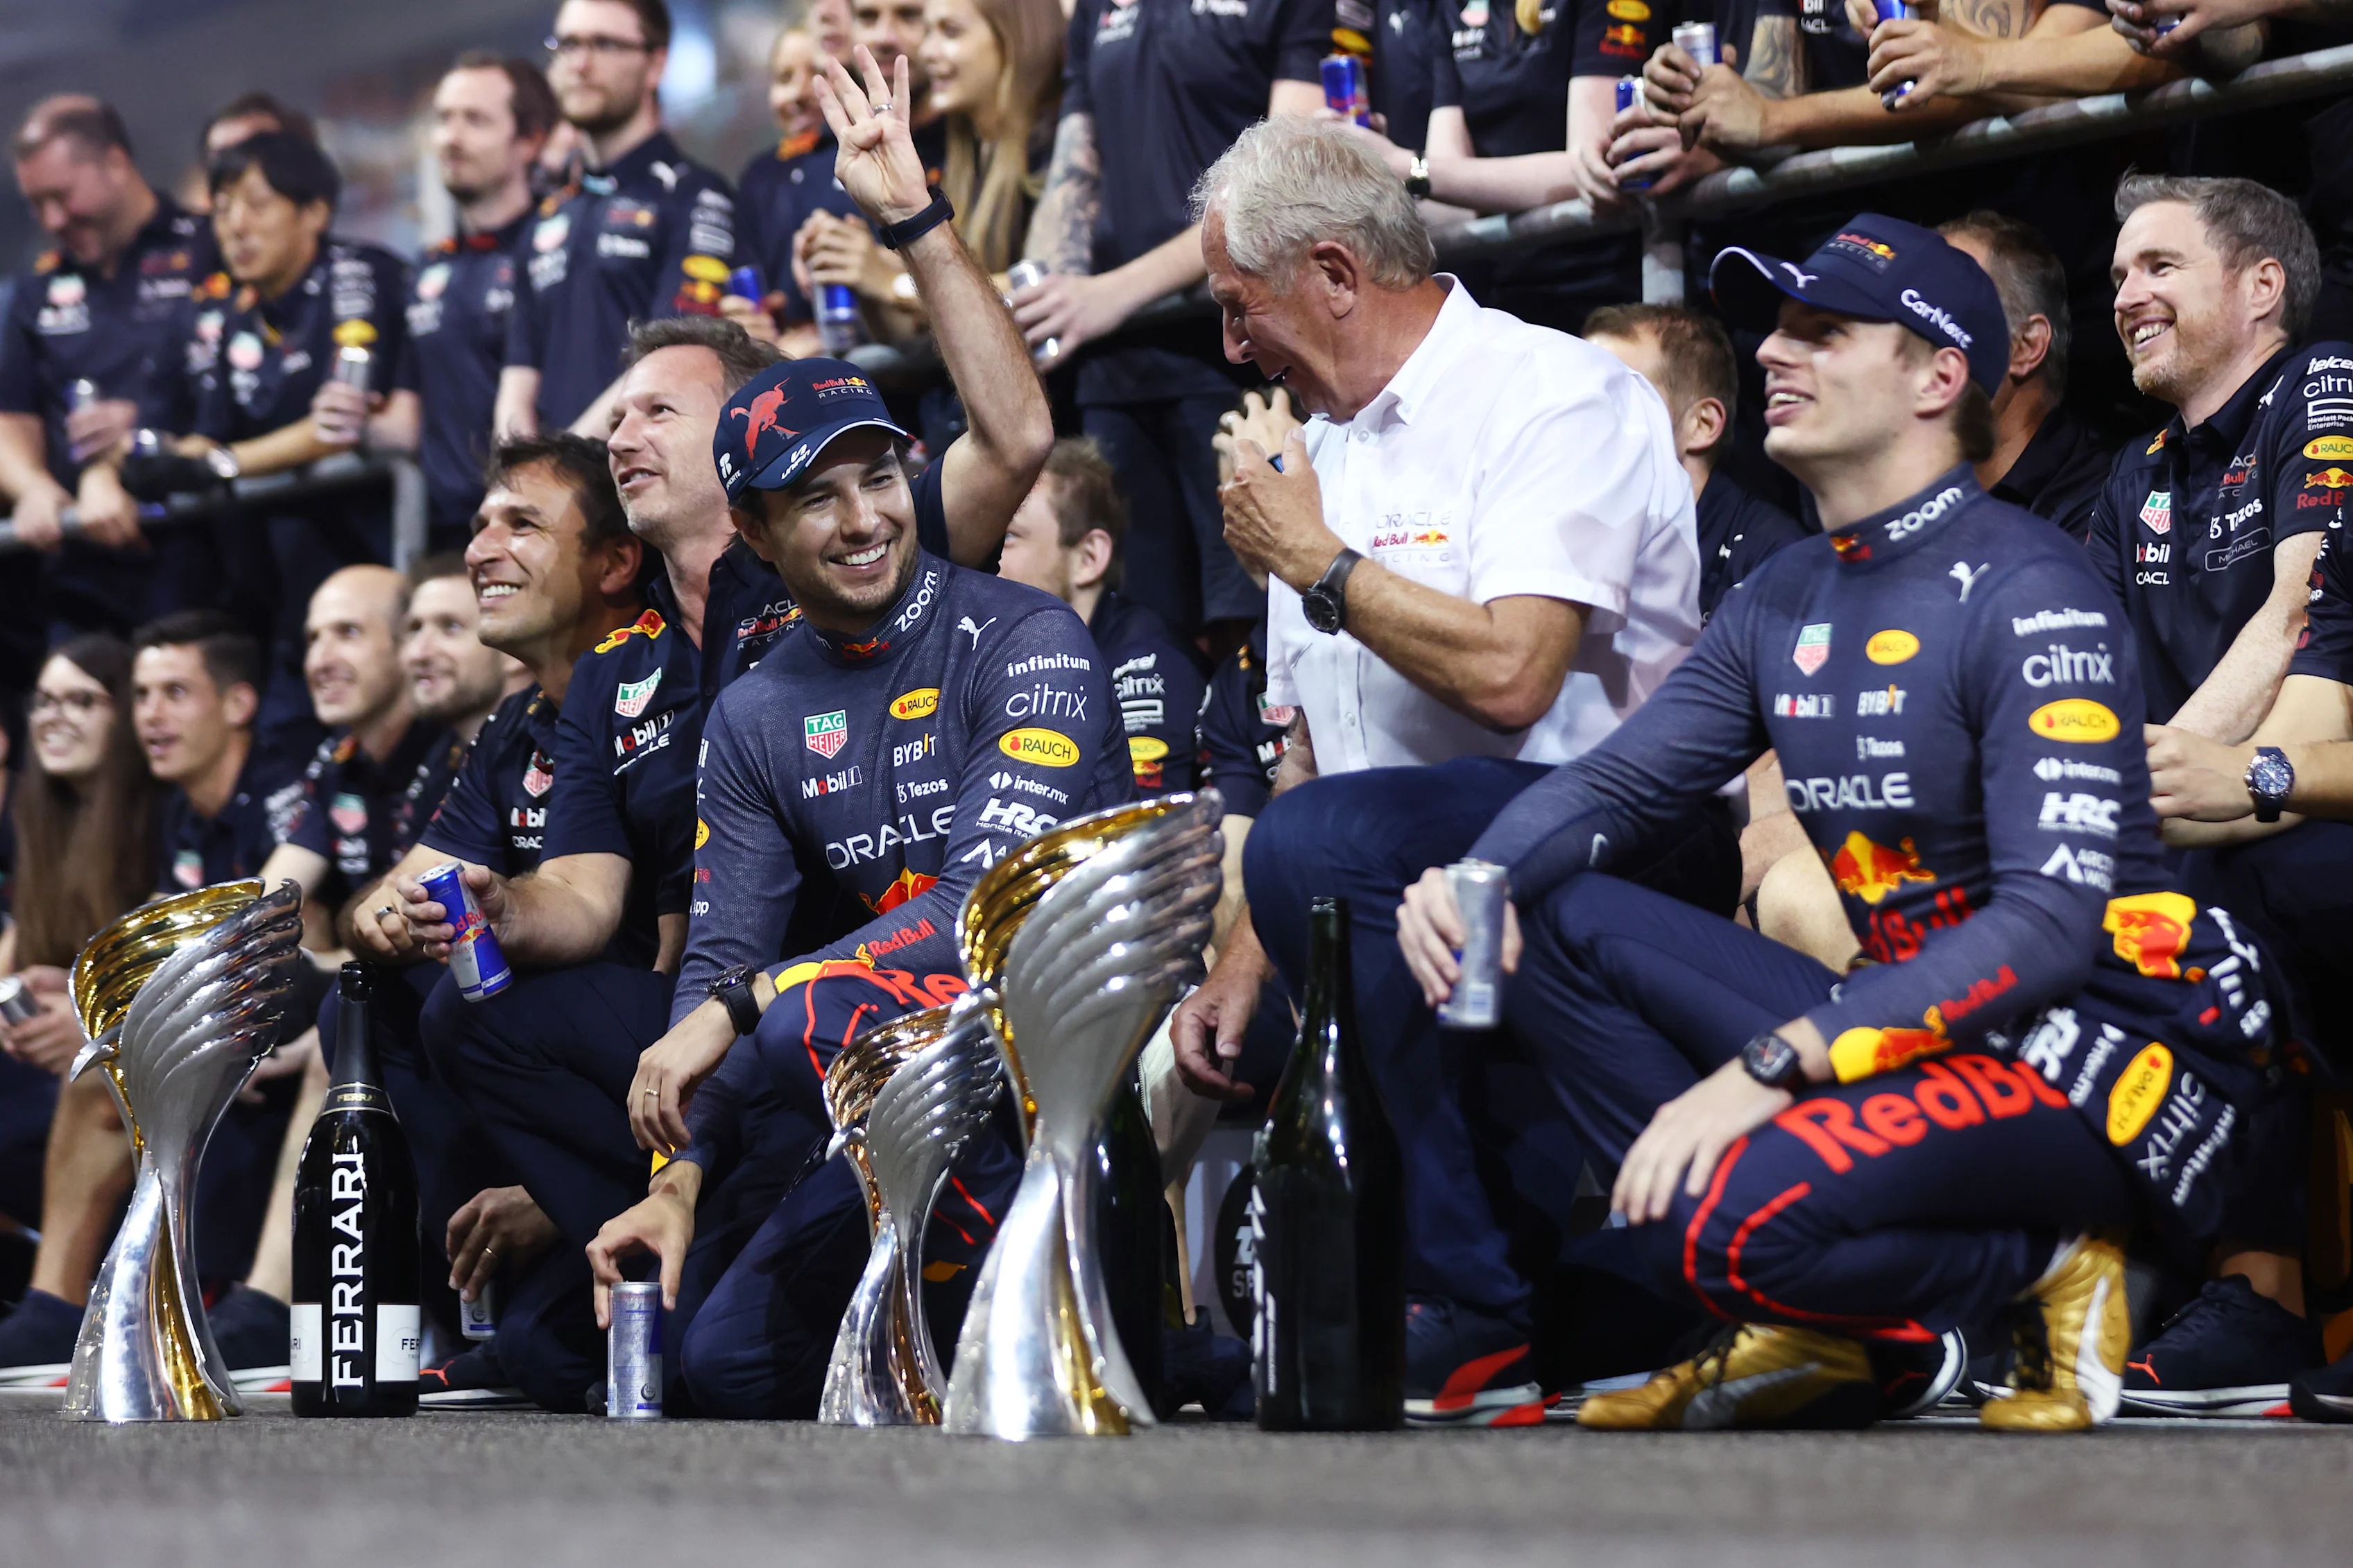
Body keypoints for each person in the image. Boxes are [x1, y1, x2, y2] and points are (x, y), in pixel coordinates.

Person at [1386, 214, 2284, 1435]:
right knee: (1546, 922)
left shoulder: (2034, 586)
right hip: (1915, 1019)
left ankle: (2052, 1268)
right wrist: (1477, 877)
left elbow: (2048, 928)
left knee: (1715, 1214)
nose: (1773, 351)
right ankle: (1815, 1313)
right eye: (1778, 328)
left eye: (1822, 331)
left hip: (2099, 1049)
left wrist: (1770, 1068)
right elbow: (1616, 789)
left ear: (1937, 378)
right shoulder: (1783, 594)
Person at [411, 52, 1057, 1415]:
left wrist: (913, 217)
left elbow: (1011, 434)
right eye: (616, 412)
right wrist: (499, 912)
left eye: (657, 408)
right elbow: (659, 930)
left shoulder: (860, 556)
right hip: (741, 1027)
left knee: (687, 1348)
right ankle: (647, 1238)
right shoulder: (635, 658)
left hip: (894, 1000)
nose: (618, 434)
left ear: (746, 442)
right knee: (484, 1030)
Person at [1167, 118, 1719, 1424]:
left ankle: (1464, 1306)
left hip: (1607, 853)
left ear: (1335, 273)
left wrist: (1317, 563)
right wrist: (1244, 957)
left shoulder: (1554, 395)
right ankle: (1553, 1305)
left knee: (1325, 851)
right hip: (1411, 894)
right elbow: (1310, 753)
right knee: (1300, 1286)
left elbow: (1515, 675)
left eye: (1240, 307)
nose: (1231, 349)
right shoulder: (1317, 456)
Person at [344, 434, 645, 1403]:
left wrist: (552, 1193)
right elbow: (387, 895)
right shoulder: (516, 727)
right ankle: (465, 1300)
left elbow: (662, 939)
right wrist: (383, 924)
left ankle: (607, 1225)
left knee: (469, 1003)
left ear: (614, 561)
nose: (481, 548)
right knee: (377, 991)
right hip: (566, 1072)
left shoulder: (663, 690)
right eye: (479, 524)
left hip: (679, 1054)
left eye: (522, 524)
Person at [1011, 0, 1328, 640]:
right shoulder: (1096, 9)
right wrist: (1038, 309)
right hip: (1113, 374)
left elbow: (1283, 182)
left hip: (1231, 352)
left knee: (1258, 616)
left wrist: (1111, 294)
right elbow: (1076, 171)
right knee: (1141, 637)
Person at [123, 132, 413, 765]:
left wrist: (220, 464)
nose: (236, 226)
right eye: (223, 208)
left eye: (257, 204)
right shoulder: (223, 309)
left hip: (359, 574)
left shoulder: (357, 275)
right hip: (269, 600)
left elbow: (338, 421)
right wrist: (180, 456)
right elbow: (197, 435)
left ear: (314, 212)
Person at [0, 98, 218, 673]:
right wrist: (33, 489)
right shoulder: (37, 290)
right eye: (36, 204)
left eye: (63, 195)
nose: (52, 219)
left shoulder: (207, 248)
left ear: (116, 163)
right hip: (78, 567)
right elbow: (9, 418)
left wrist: (141, 431)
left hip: (199, 550)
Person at [0, 636, 158, 1384]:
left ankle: (54, 1306)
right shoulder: (39, 820)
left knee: (85, 1079)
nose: (54, 716)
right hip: (59, 1072)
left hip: (135, 1064)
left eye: (81, 700)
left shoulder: (158, 815)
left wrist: (81, 1008)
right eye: (44, 700)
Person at [496, 0, 737, 438]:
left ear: (655, 64)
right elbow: (518, 376)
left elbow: (670, 357)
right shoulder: (547, 218)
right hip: (551, 472)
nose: (580, 64)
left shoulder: (695, 196)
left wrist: (563, 462)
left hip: (643, 461)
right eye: (568, 45)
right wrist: (519, 465)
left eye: (604, 44)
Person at [358, 56, 556, 550]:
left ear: (530, 141)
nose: (451, 137)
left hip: (546, 526)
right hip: (449, 537)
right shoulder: (428, 271)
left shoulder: (559, 253)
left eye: (476, 120)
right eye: (444, 119)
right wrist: (346, 418)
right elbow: (408, 423)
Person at [798, 0, 1062, 354]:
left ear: (1013, 39)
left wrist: (895, 283)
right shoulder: (966, 153)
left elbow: (1046, 289)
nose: (928, 51)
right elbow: (929, 340)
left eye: (950, 32)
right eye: (930, 29)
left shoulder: (1056, 142)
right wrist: (854, 267)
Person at [999, 436, 1206, 793]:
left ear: (1089, 558)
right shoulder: (992, 656)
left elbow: (1143, 818)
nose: (986, 558)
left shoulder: (1147, 664)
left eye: (1008, 536)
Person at [1582, 302, 1806, 621]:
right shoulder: (1564, 532)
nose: (1583, 416)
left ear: (1702, 425)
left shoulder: (1774, 560)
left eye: (1617, 394)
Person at [268, 567, 452, 929]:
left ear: (409, 645)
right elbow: (271, 899)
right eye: (313, 639)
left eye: (348, 632)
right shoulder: (337, 757)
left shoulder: (454, 750)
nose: (320, 661)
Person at [1926, 212, 2115, 542]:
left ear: (2026, 346)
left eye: (1942, 310)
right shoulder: (1902, 489)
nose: (1910, 333)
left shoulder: (2111, 504)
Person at [730, 25, 862, 356]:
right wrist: (747, 323)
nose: (799, 93)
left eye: (818, 73)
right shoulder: (759, 177)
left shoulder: (869, 161)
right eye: (784, 78)